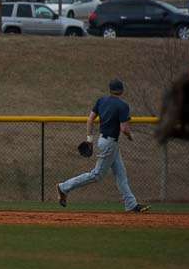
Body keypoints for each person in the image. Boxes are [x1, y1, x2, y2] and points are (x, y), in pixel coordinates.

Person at [57, 79, 149, 213]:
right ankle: (63, 187)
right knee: (96, 175)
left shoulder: (101, 101)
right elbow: (124, 129)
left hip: (104, 141)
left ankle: (131, 204)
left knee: (121, 174)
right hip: (109, 143)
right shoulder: (123, 105)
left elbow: (90, 120)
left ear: (110, 90)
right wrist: (130, 136)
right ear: (122, 91)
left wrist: (89, 139)